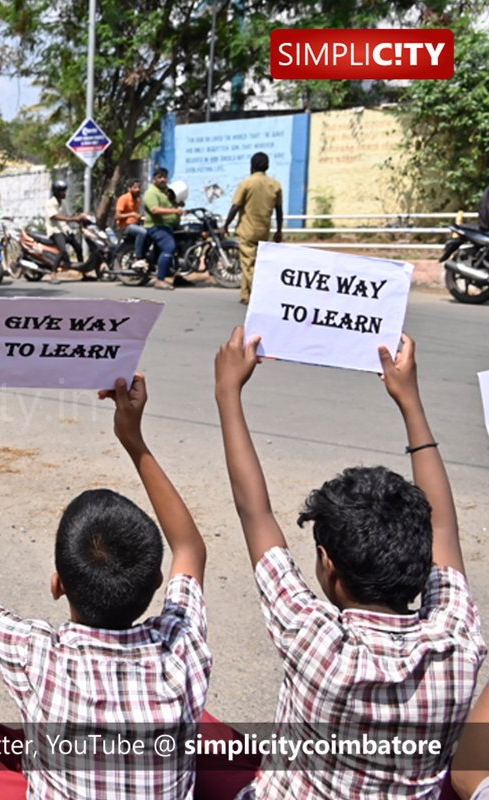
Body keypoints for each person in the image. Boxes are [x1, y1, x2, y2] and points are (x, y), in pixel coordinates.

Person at [0, 369, 211, 798]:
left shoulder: (39, 657)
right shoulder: (181, 649)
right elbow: (190, 548)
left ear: (57, 584)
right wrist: (133, 437)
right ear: (158, 582)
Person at [214, 328, 485, 798]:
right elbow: (443, 530)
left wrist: (227, 392)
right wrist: (410, 401)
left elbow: (253, 512)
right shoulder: (456, 642)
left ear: (328, 565)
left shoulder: (316, 641)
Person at [223, 152, 283, 305]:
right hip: (264, 229)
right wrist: (279, 230)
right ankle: (245, 295)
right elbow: (279, 210)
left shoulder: (247, 183)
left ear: (252, 165)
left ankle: (259, 293)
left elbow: (236, 206)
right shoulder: (275, 185)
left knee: (248, 264)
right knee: (252, 263)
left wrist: (225, 225)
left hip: (248, 230)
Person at [142, 167, 184, 291]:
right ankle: (160, 280)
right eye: (160, 177)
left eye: (165, 177)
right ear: (154, 178)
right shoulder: (151, 193)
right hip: (156, 227)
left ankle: (178, 276)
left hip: (169, 226)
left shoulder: (166, 192)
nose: (163, 179)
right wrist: (174, 210)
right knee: (169, 248)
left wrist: (179, 205)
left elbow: (172, 203)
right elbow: (155, 210)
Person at [45, 179, 88, 278]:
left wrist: (80, 217)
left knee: (78, 248)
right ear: (56, 192)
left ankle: (83, 273)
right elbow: (54, 216)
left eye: (65, 190)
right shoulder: (50, 203)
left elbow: (68, 216)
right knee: (63, 250)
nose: (65, 193)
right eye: (62, 191)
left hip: (65, 230)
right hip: (55, 230)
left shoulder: (63, 203)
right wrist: (73, 218)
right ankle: (53, 273)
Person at [115, 178, 149, 270]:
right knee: (142, 232)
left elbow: (136, 217)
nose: (138, 189)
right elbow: (117, 216)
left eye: (139, 187)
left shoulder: (137, 200)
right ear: (129, 189)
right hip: (125, 227)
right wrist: (131, 214)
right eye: (135, 187)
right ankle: (137, 258)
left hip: (134, 225)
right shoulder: (124, 198)